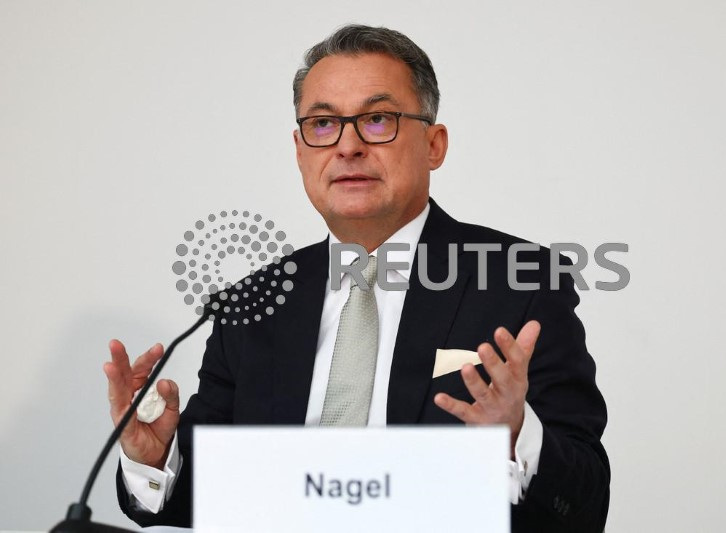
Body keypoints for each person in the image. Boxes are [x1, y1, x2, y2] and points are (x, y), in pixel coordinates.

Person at [104, 24, 610, 532]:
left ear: (434, 145)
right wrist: (156, 457)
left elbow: (585, 505)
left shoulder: (519, 283)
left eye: (377, 119)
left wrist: (517, 435)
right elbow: (211, 495)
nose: (347, 146)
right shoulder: (254, 304)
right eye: (323, 124)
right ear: (300, 152)